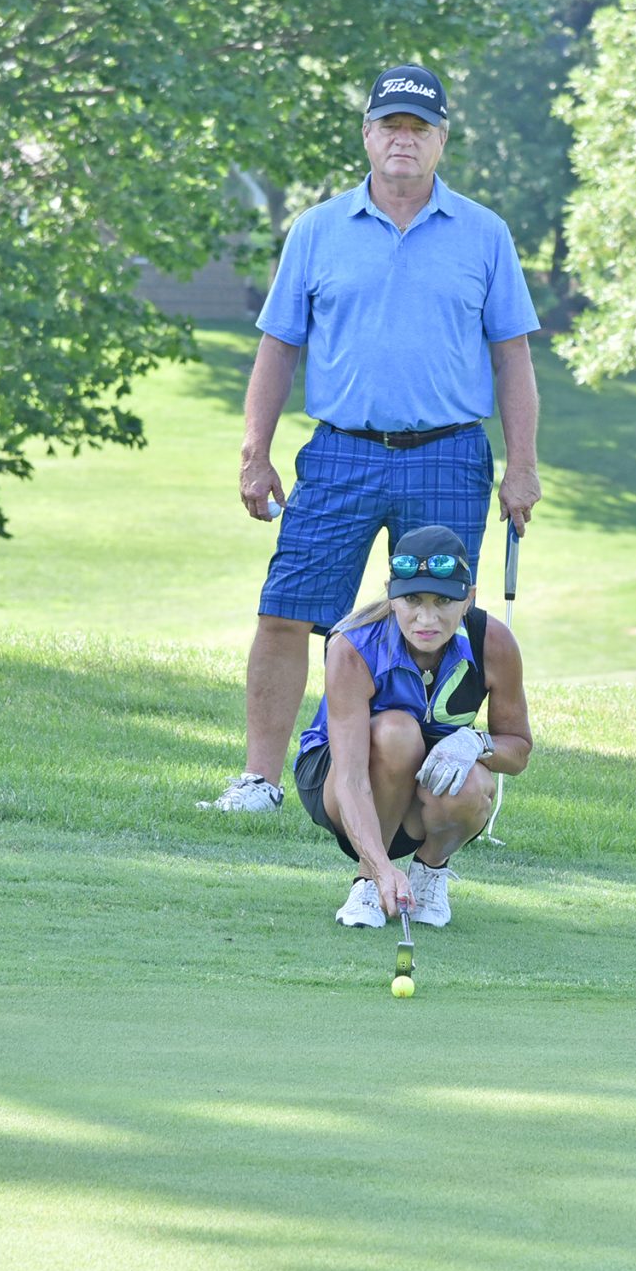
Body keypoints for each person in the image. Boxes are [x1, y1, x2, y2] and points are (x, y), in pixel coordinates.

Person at [203, 63, 541, 813]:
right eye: (391, 125)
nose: (403, 140)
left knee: (435, 623)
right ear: (367, 135)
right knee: (286, 608)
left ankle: (424, 786)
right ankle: (260, 781)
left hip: (449, 452)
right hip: (341, 451)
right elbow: (278, 347)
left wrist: (522, 465)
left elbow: (512, 354)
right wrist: (254, 454)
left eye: (419, 128)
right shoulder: (318, 229)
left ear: (442, 140)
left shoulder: (484, 233)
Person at [292, 525, 532, 927]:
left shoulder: (494, 642)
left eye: (444, 601)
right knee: (396, 733)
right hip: (339, 781)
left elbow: (519, 750)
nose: (426, 618)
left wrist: (475, 743)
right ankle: (368, 884)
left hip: (423, 783)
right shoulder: (352, 646)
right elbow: (350, 779)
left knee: (474, 783)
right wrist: (380, 868)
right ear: (391, 594)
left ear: (469, 599)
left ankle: (429, 871)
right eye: (412, 600)